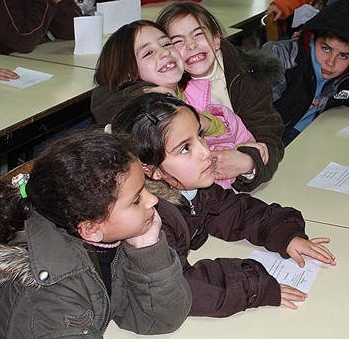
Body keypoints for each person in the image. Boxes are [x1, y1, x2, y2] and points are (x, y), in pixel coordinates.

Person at [0, 128, 260, 339]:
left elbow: (159, 318)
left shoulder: (103, 239)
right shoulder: (42, 290)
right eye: (137, 198)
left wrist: (148, 252)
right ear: (91, 228)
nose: (153, 200)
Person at [111, 92, 336, 318]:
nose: (206, 151)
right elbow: (180, 288)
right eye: (185, 148)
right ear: (151, 170)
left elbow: (237, 212)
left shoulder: (192, 188)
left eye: (199, 136)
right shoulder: (150, 220)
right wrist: (255, 287)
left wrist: (283, 233)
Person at [157, 1, 285, 192]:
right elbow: (108, 96)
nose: (191, 45)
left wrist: (248, 161)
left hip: (235, 188)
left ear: (216, 39)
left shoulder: (248, 78)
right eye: (178, 41)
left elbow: (269, 137)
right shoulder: (166, 81)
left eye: (198, 34)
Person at [262, 0, 349, 144]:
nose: (330, 62)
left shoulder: (346, 78)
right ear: (312, 38)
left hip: (306, 140)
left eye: (343, 55)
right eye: (326, 48)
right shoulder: (281, 57)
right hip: (269, 143)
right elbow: (254, 113)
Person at [90, 20, 233, 147]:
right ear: (129, 72)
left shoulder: (194, 90)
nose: (164, 52)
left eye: (166, 44)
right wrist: (144, 94)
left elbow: (226, 129)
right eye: (148, 53)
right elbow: (108, 103)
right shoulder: (141, 111)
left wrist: (200, 119)